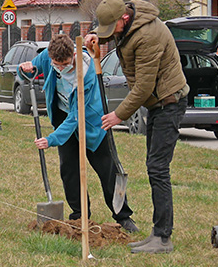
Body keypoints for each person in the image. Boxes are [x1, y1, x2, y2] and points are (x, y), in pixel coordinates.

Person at [85, 0, 189, 254]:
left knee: (158, 168)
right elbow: (114, 35)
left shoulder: (148, 36)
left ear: (124, 18)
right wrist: (93, 37)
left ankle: (163, 237)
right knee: (154, 166)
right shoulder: (128, 22)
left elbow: (143, 87)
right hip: (157, 104)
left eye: (112, 28)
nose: (110, 33)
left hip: (169, 101)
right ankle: (158, 232)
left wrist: (118, 115)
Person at [19, 34, 137, 232]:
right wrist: (25, 67)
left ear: (73, 55)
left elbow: (76, 116)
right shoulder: (49, 58)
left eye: (64, 64)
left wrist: (51, 139)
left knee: (107, 170)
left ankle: (123, 216)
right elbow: (28, 68)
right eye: (56, 63)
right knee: (70, 171)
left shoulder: (87, 72)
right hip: (63, 118)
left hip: (92, 123)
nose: (60, 67)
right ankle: (79, 216)